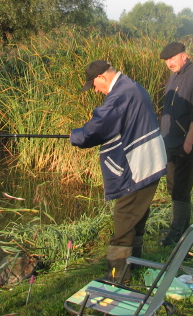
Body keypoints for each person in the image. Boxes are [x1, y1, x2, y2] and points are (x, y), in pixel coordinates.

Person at [70, 60, 167, 283]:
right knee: (137, 217)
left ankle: (117, 276)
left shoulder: (121, 94)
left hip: (139, 165)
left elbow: (98, 127)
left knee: (124, 219)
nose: (95, 90)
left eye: (94, 85)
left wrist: (76, 136)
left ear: (103, 77)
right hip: (147, 162)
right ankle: (135, 265)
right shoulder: (131, 86)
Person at [158, 42, 193, 246]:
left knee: (181, 187)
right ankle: (183, 227)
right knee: (174, 186)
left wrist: (189, 142)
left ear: (184, 56)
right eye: (166, 60)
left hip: (185, 143)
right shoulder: (176, 76)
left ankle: (176, 235)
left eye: (172, 58)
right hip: (171, 141)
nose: (169, 63)